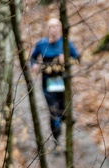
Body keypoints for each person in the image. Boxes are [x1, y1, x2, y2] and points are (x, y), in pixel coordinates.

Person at [29, 18, 80, 146]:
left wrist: (67, 60)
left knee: (62, 110)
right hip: (48, 82)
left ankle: (65, 121)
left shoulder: (66, 43)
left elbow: (78, 58)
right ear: (48, 29)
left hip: (63, 82)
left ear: (60, 28)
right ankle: (56, 140)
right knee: (53, 111)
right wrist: (34, 65)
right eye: (51, 26)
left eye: (57, 26)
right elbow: (33, 58)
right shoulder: (41, 44)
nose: (54, 28)